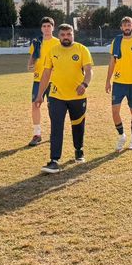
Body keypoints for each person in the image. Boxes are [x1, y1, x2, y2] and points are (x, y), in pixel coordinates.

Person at [37, 24, 94, 173]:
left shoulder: (82, 49)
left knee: (78, 125)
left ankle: (79, 150)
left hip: (78, 95)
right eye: (63, 35)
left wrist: (85, 84)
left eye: (69, 34)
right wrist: (39, 94)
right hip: (56, 95)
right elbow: (46, 74)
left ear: (73, 35)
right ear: (59, 35)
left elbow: (89, 70)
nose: (66, 37)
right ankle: (54, 160)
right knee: (56, 127)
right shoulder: (53, 51)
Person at [106, 17, 132, 152]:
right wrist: (108, 81)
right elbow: (112, 62)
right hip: (118, 83)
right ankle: (122, 136)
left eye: (129, 24)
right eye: (124, 25)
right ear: (121, 27)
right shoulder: (116, 41)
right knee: (114, 112)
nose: (127, 27)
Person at [26, 17, 60, 147]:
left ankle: (55, 133)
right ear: (41, 28)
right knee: (36, 105)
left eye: (48, 26)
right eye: (44, 26)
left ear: (53, 27)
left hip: (53, 81)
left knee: (54, 108)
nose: (46, 28)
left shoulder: (58, 43)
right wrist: (30, 66)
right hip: (38, 80)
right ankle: (37, 134)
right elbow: (32, 58)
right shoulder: (36, 42)